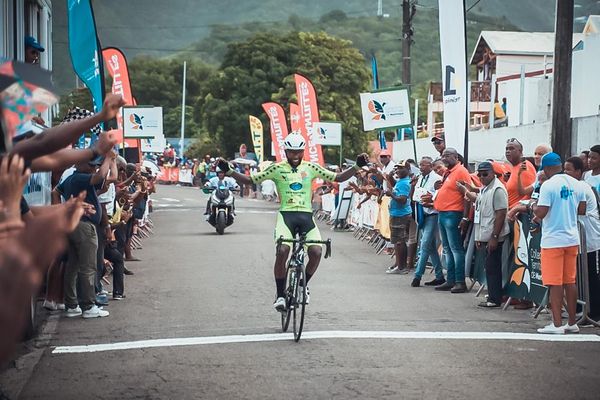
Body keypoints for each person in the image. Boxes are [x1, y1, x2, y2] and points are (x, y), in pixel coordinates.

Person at [217, 134, 367, 312]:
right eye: (291, 152)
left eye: (298, 152)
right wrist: (229, 171)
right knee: (282, 251)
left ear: (302, 151)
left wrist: (357, 166)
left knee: (317, 251)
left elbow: (338, 178)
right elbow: (250, 180)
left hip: (306, 217)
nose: (295, 156)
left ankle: (303, 285)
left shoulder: (311, 167)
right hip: (286, 216)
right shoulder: (276, 168)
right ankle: (280, 295)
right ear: (285, 151)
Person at [533, 153, 586, 334]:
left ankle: (556, 324)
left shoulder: (548, 185)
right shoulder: (577, 184)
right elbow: (582, 209)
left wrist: (532, 207)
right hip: (572, 238)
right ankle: (572, 322)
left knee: (555, 283)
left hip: (553, 239)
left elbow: (541, 212)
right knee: (570, 282)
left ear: (546, 169)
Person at [53, 157, 112, 319]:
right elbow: (100, 177)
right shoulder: (81, 177)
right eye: (93, 166)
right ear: (83, 165)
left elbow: (55, 192)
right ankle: (88, 306)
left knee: (73, 265)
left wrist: (60, 212)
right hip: (85, 225)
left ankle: (72, 304)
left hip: (74, 224)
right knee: (88, 266)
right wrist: (109, 158)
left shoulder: (72, 178)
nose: (95, 168)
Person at [467, 162, 510, 307]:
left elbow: (501, 213)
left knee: (493, 266)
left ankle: (494, 299)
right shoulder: (485, 188)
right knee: (489, 266)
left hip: (494, 235)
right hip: (485, 233)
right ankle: (493, 294)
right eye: (479, 174)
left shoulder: (497, 189)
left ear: (493, 174)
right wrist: (480, 237)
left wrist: (494, 237)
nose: (481, 177)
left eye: (485, 174)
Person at [565, 156, 600, 321]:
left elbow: (581, 209)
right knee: (577, 276)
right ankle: (580, 309)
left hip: (590, 239)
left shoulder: (581, 187)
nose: (565, 173)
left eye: (569, 170)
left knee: (591, 277)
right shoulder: (572, 186)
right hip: (578, 240)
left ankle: (594, 313)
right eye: (564, 169)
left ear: (578, 172)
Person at [433, 148, 472, 293]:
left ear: (456, 157)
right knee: (448, 249)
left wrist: (465, 217)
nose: (444, 158)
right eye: (443, 156)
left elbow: (467, 194)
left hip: (453, 213)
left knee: (456, 249)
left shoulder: (461, 171)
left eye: (447, 155)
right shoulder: (449, 173)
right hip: (443, 213)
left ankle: (460, 281)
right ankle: (450, 280)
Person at [411, 156, 444, 287]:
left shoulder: (436, 179)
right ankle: (439, 275)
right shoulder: (420, 178)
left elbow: (439, 197)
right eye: (420, 165)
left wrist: (430, 201)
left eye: (423, 165)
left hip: (432, 215)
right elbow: (415, 196)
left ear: (430, 166)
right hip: (421, 214)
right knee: (430, 248)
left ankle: (417, 275)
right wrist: (413, 186)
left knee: (424, 245)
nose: (421, 167)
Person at [386, 161, 413, 274]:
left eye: (400, 168)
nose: (397, 170)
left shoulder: (405, 183)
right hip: (397, 213)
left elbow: (402, 200)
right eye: (396, 168)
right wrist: (389, 176)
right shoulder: (401, 181)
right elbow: (394, 185)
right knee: (397, 241)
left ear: (407, 170)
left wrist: (391, 194)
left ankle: (401, 267)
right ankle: (399, 264)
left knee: (399, 241)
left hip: (401, 214)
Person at [505, 138, 537, 209]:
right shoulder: (515, 166)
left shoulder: (524, 166)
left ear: (520, 152)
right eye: (506, 149)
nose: (508, 151)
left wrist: (514, 209)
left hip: (518, 215)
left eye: (511, 149)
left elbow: (530, 194)